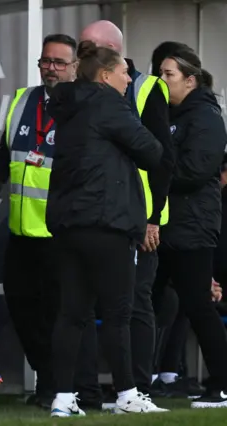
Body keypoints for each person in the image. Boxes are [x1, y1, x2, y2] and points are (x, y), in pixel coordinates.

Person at [46, 41, 164, 417]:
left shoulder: (66, 105)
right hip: (107, 222)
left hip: (69, 223)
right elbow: (152, 151)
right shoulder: (109, 103)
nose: (130, 78)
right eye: (124, 72)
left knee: (72, 313)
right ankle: (128, 394)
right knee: (118, 313)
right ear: (105, 75)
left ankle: (63, 399)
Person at [78, 20, 175, 403]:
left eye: (89, 45)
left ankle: (138, 388)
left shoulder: (147, 88)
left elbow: (163, 160)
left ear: (111, 51)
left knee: (135, 305)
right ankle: (83, 391)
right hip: (98, 216)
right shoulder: (82, 90)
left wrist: (153, 218)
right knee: (83, 305)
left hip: (140, 219)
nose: (80, 50)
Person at [0, 33, 79, 409]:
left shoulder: (83, 107)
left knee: (59, 316)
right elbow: (2, 161)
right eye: (46, 61)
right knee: (22, 309)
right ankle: (47, 380)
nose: (51, 68)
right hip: (21, 231)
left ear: (74, 67)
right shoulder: (23, 100)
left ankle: (59, 388)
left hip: (62, 233)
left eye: (59, 62)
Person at [154, 49, 227, 409]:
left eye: (168, 74)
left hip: (192, 226)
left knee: (198, 304)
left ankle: (222, 383)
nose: (162, 80)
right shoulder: (172, 114)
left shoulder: (206, 117)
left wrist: (156, 179)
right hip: (168, 225)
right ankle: (141, 380)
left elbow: (196, 169)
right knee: (149, 301)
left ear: (190, 79)